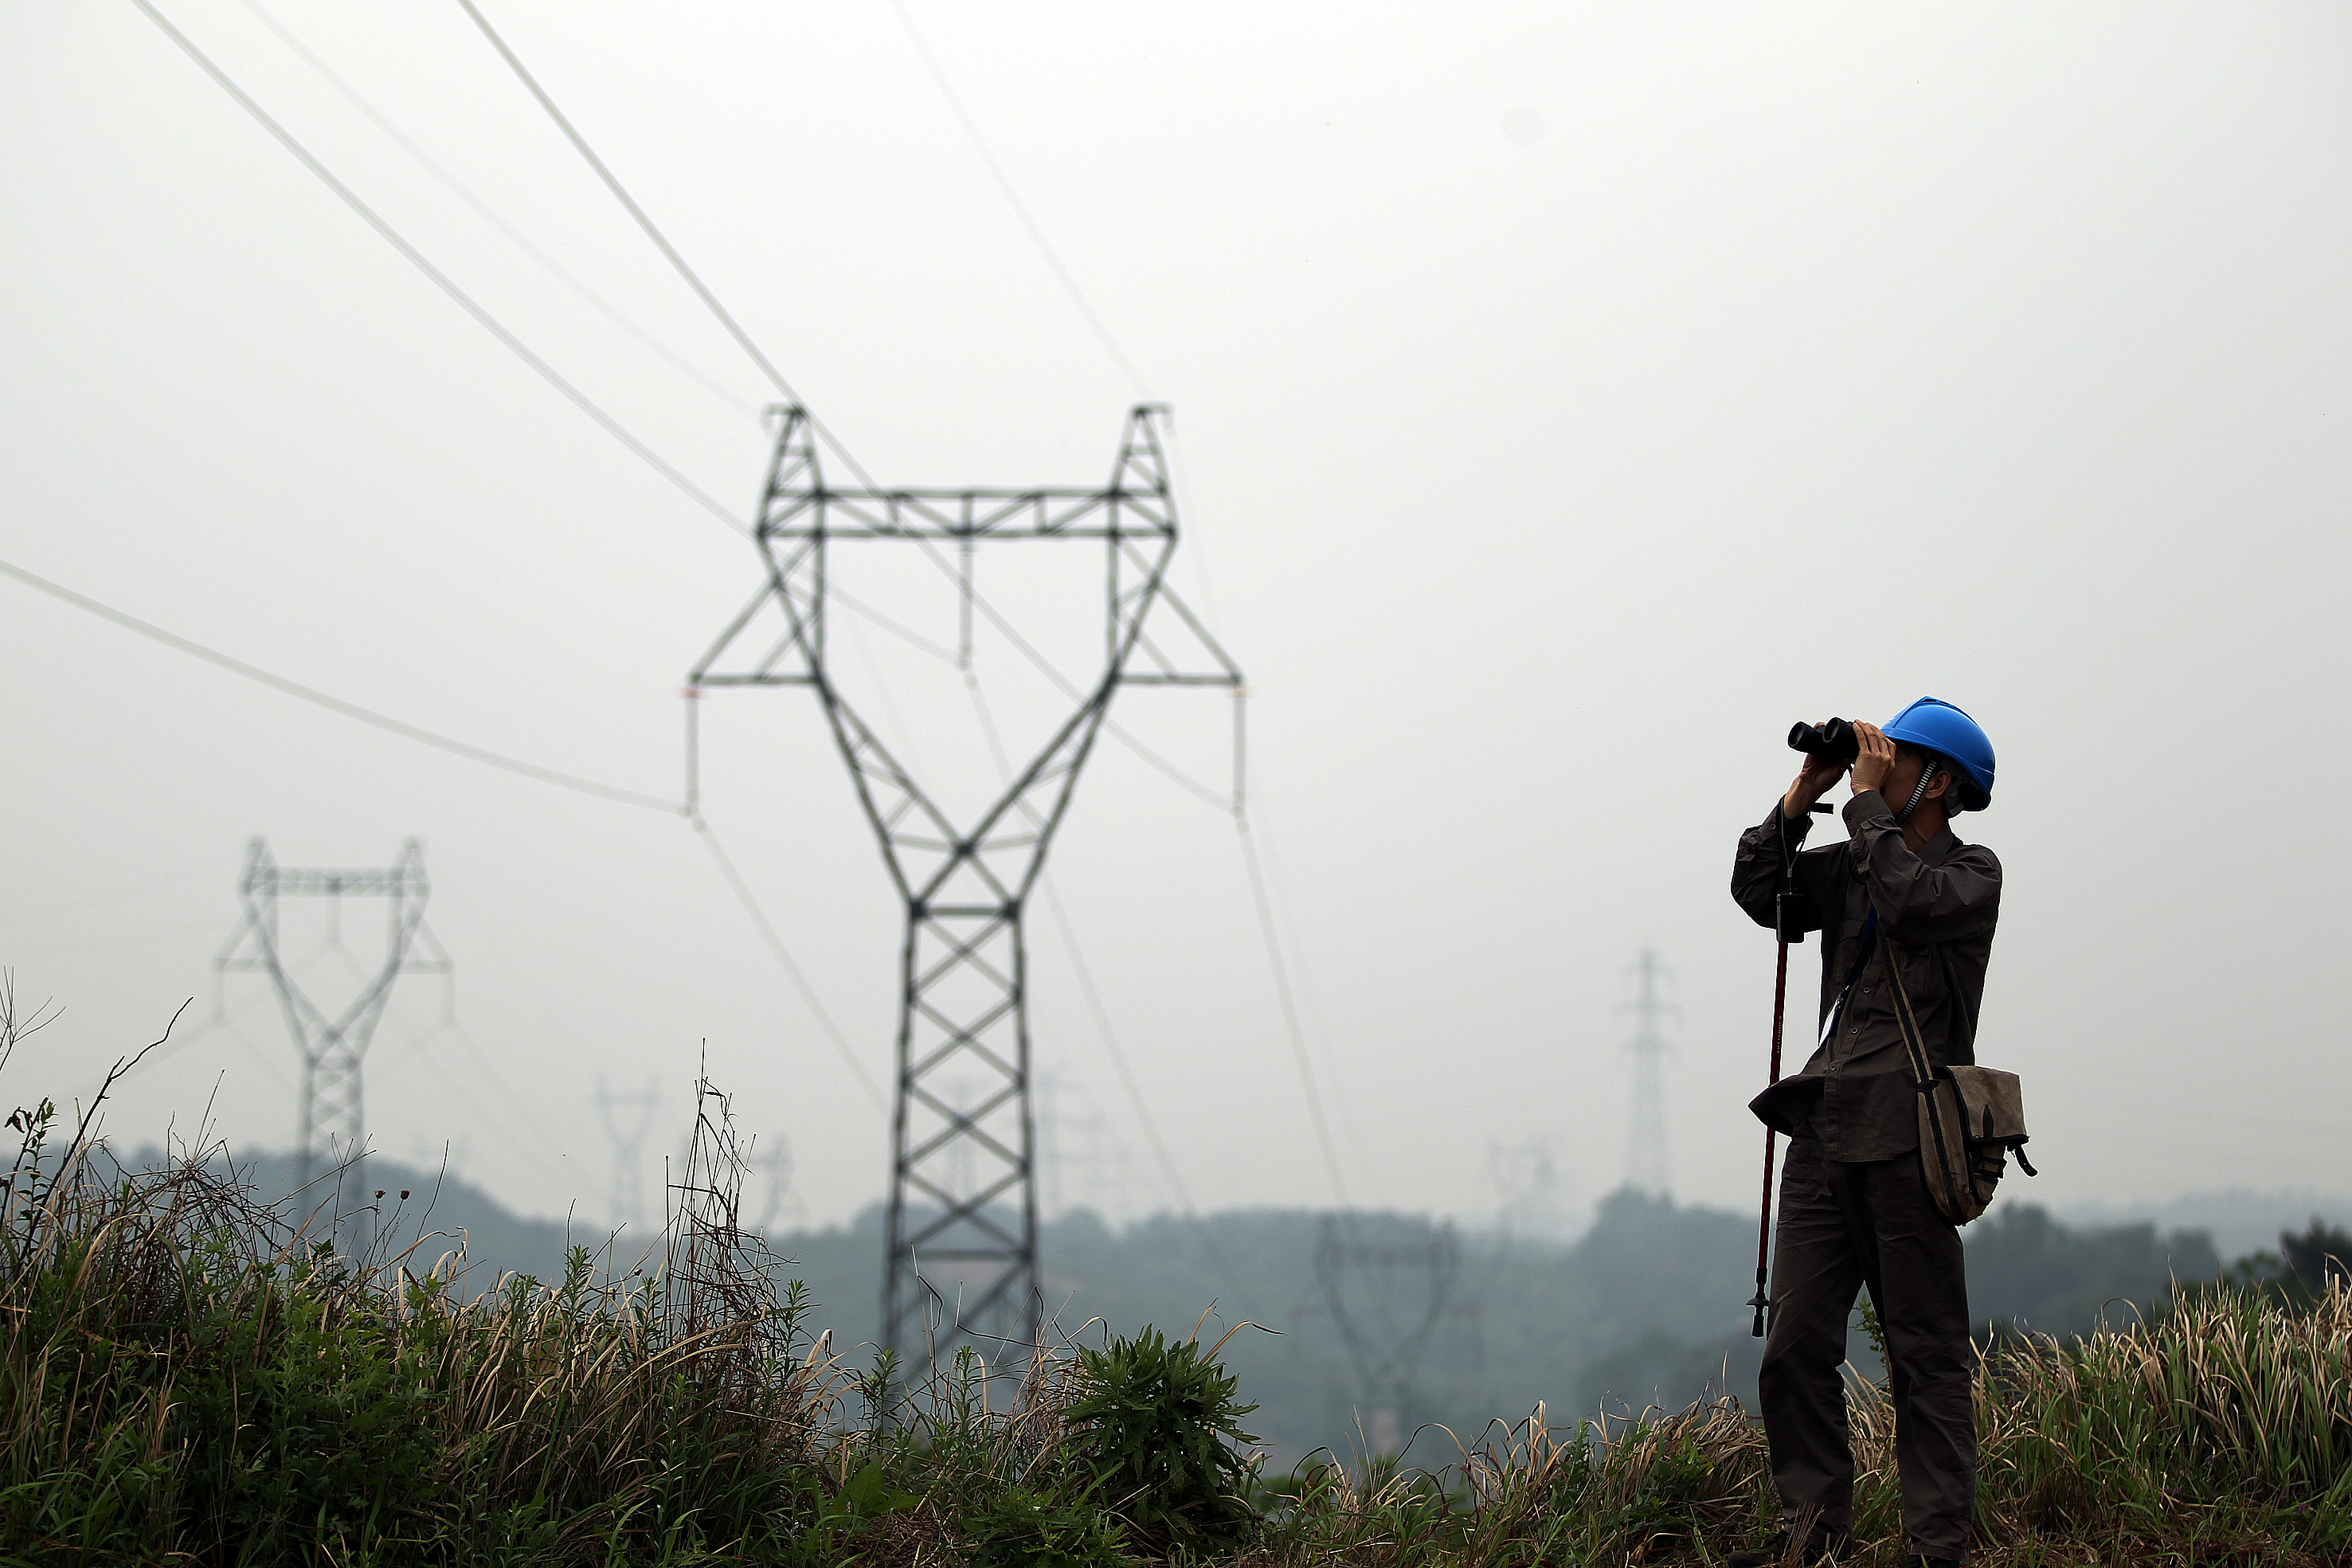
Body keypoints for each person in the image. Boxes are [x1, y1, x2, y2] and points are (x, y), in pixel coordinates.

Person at [1727, 697, 2001, 1568]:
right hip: (1824, 1126)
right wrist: (1802, 791)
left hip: (1911, 1138)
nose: (1876, 767)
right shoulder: (1852, 860)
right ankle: (1811, 1540)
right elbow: (1757, 891)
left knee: (1924, 1359)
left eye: (1898, 757)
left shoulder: (1972, 873)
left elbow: (1911, 900)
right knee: (1796, 1344)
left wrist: (1862, 807)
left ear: (1942, 780)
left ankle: (1935, 1551)